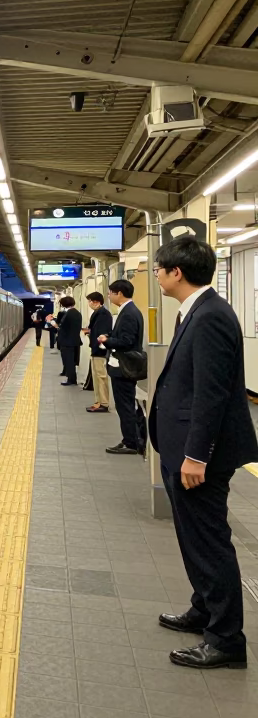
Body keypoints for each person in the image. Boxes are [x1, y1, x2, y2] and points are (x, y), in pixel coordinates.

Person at [149, 235, 258, 670]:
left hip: (199, 458)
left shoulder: (209, 316)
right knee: (195, 539)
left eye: (159, 268)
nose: (155, 274)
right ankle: (204, 609)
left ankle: (226, 639)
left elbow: (210, 395)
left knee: (209, 543)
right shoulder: (198, 312)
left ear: (177, 272)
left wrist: (197, 456)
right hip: (184, 450)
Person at [99, 278, 145, 455]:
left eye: (110, 293)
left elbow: (126, 341)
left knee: (124, 406)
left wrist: (107, 340)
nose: (109, 296)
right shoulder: (130, 311)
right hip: (124, 366)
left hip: (124, 367)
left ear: (119, 293)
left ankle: (131, 442)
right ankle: (130, 439)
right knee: (126, 405)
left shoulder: (128, 313)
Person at [83, 292, 113, 413]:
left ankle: (104, 403)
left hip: (100, 351)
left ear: (96, 302)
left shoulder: (104, 314)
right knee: (96, 377)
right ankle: (98, 401)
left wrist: (100, 348)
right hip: (95, 350)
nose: (89, 303)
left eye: (90, 301)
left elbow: (103, 333)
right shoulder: (98, 313)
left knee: (101, 377)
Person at [51, 297, 83, 385]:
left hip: (67, 341)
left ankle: (71, 380)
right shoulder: (77, 313)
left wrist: (53, 324)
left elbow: (62, 327)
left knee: (68, 361)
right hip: (74, 340)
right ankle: (72, 378)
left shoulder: (68, 314)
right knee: (72, 361)